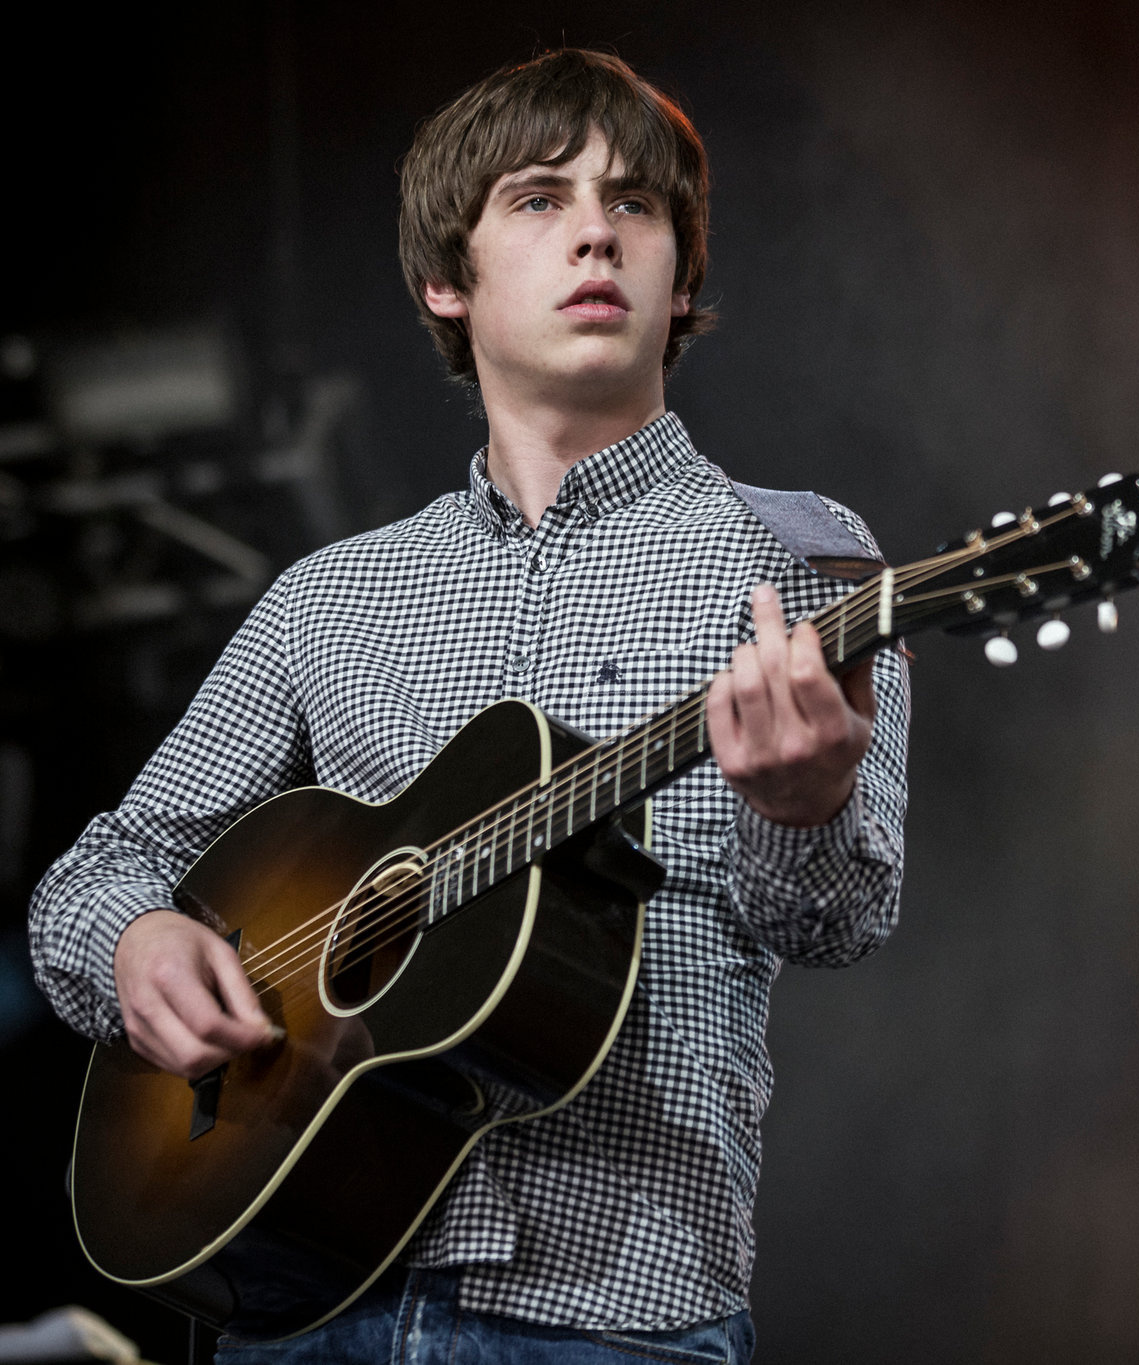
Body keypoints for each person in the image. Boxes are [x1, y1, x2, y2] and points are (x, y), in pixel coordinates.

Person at [28, 49, 908, 1365]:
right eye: (541, 198)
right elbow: (96, 875)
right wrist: (136, 944)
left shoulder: (798, 561)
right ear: (448, 280)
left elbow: (844, 913)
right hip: (300, 1306)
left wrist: (806, 797)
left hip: (618, 1320)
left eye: (638, 205)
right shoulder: (334, 595)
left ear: (681, 280)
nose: (599, 229)